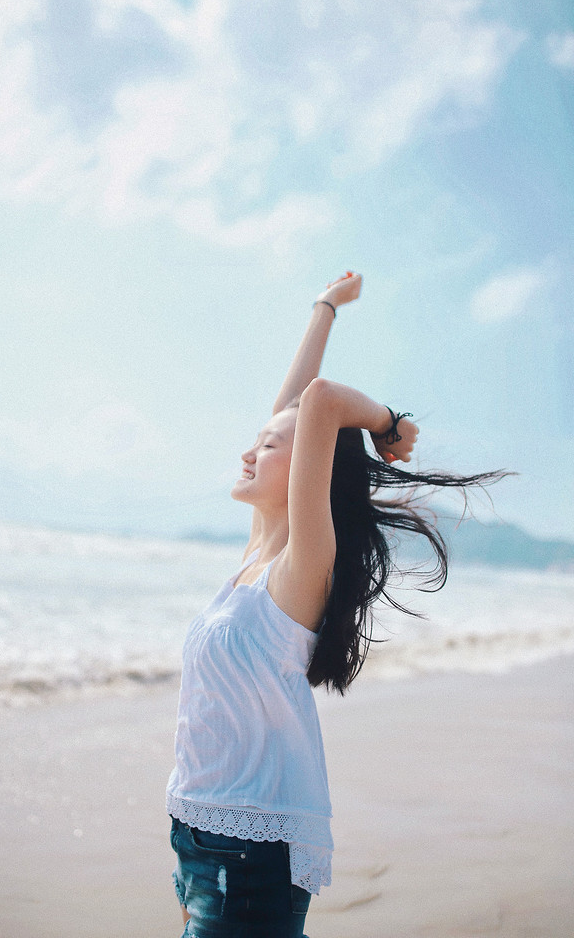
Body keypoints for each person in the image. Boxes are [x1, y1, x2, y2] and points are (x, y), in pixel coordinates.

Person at [166, 272, 502, 938]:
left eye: (267, 446)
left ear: (307, 472)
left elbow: (318, 403)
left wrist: (386, 424)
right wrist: (325, 307)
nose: (248, 449)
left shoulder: (300, 569)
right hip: (194, 831)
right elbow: (296, 403)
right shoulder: (257, 552)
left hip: (252, 854)